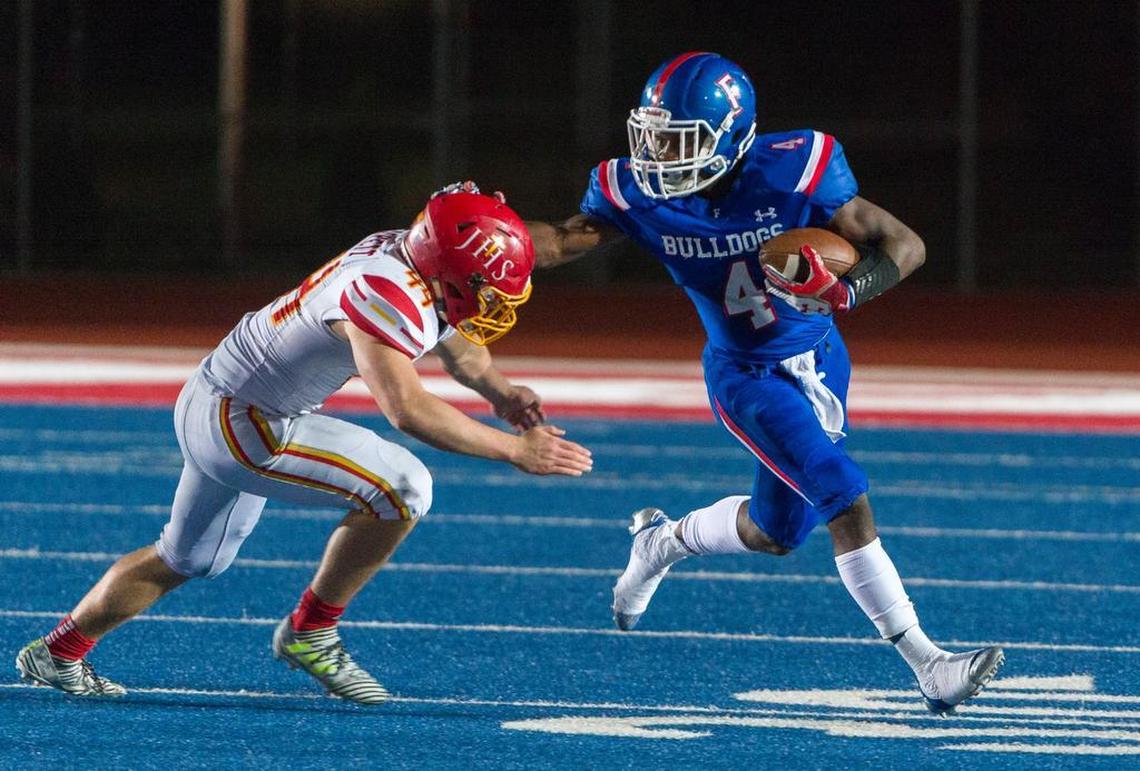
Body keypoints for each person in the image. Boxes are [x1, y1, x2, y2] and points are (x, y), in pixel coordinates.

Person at [525, 51, 1002, 715]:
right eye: (652, 135)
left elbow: (905, 245)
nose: (658, 153)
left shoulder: (794, 167)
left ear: (730, 136)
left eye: (677, 139)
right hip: (744, 375)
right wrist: (494, 239)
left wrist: (847, 287)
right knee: (842, 491)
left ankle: (663, 539)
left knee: (780, 531)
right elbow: (558, 240)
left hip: (820, 360)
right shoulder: (633, 190)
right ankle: (929, 663)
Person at [15, 185, 593, 703]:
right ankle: (311, 630)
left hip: (220, 396)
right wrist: (514, 450)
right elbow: (408, 409)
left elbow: (456, 342)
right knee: (403, 488)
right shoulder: (385, 292)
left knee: (188, 557)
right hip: (248, 422)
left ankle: (57, 650)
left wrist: (499, 391)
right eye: (487, 289)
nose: (496, 303)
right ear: (449, 274)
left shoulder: (417, 257)